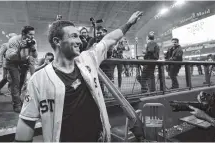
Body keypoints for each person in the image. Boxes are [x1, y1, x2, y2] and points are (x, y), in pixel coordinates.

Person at [15, 11, 143, 142]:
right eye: (74, 36)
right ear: (57, 41)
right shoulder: (38, 80)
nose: (79, 41)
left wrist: (129, 23)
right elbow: (26, 122)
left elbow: (109, 39)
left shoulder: (88, 59)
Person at [5, 26, 38, 112]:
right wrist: (20, 47)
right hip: (12, 63)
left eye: (33, 35)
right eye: (30, 34)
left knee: (21, 83)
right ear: (23, 34)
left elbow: (34, 56)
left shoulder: (32, 42)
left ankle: (17, 100)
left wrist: (33, 48)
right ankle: (17, 105)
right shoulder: (14, 40)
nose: (32, 36)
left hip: (23, 62)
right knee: (15, 82)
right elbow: (11, 57)